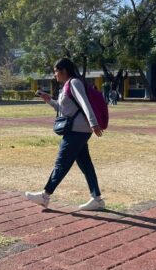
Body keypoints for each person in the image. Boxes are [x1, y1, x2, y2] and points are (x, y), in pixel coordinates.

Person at [26, 58, 105, 211]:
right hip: (77, 130)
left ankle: (45, 196)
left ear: (64, 71)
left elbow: (84, 103)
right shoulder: (67, 85)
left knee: (62, 163)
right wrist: (49, 100)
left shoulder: (74, 82)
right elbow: (63, 109)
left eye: (56, 71)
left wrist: (94, 123)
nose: (54, 74)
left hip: (77, 131)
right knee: (85, 165)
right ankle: (97, 199)